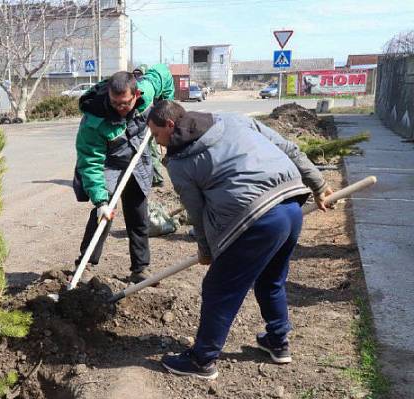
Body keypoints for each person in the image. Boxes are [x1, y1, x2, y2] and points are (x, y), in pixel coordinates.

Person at [146, 100, 334, 380]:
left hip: (256, 220)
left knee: (219, 289)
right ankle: (278, 341)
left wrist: (205, 249)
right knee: (271, 278)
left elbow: (196, 212)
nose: (156, 141)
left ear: (170, 125)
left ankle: (202, 360)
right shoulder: (231, 118)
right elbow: (287, 148)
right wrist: (317, 184)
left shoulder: (180, 162)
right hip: (291, 206)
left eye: (156, 134)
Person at [73, 64, 173, 283]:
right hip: (110, 162)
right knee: (104, 213)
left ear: (136, 94)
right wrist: (100, 201)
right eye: (115, 102)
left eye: (125, 103)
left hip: (138, 160)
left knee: (138, 215)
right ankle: (86, 263)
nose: (120, 107)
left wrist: (166, 103)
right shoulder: (94, 120)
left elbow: (162, 73)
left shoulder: (146, 89)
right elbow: (90, 161)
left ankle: (140, 269)